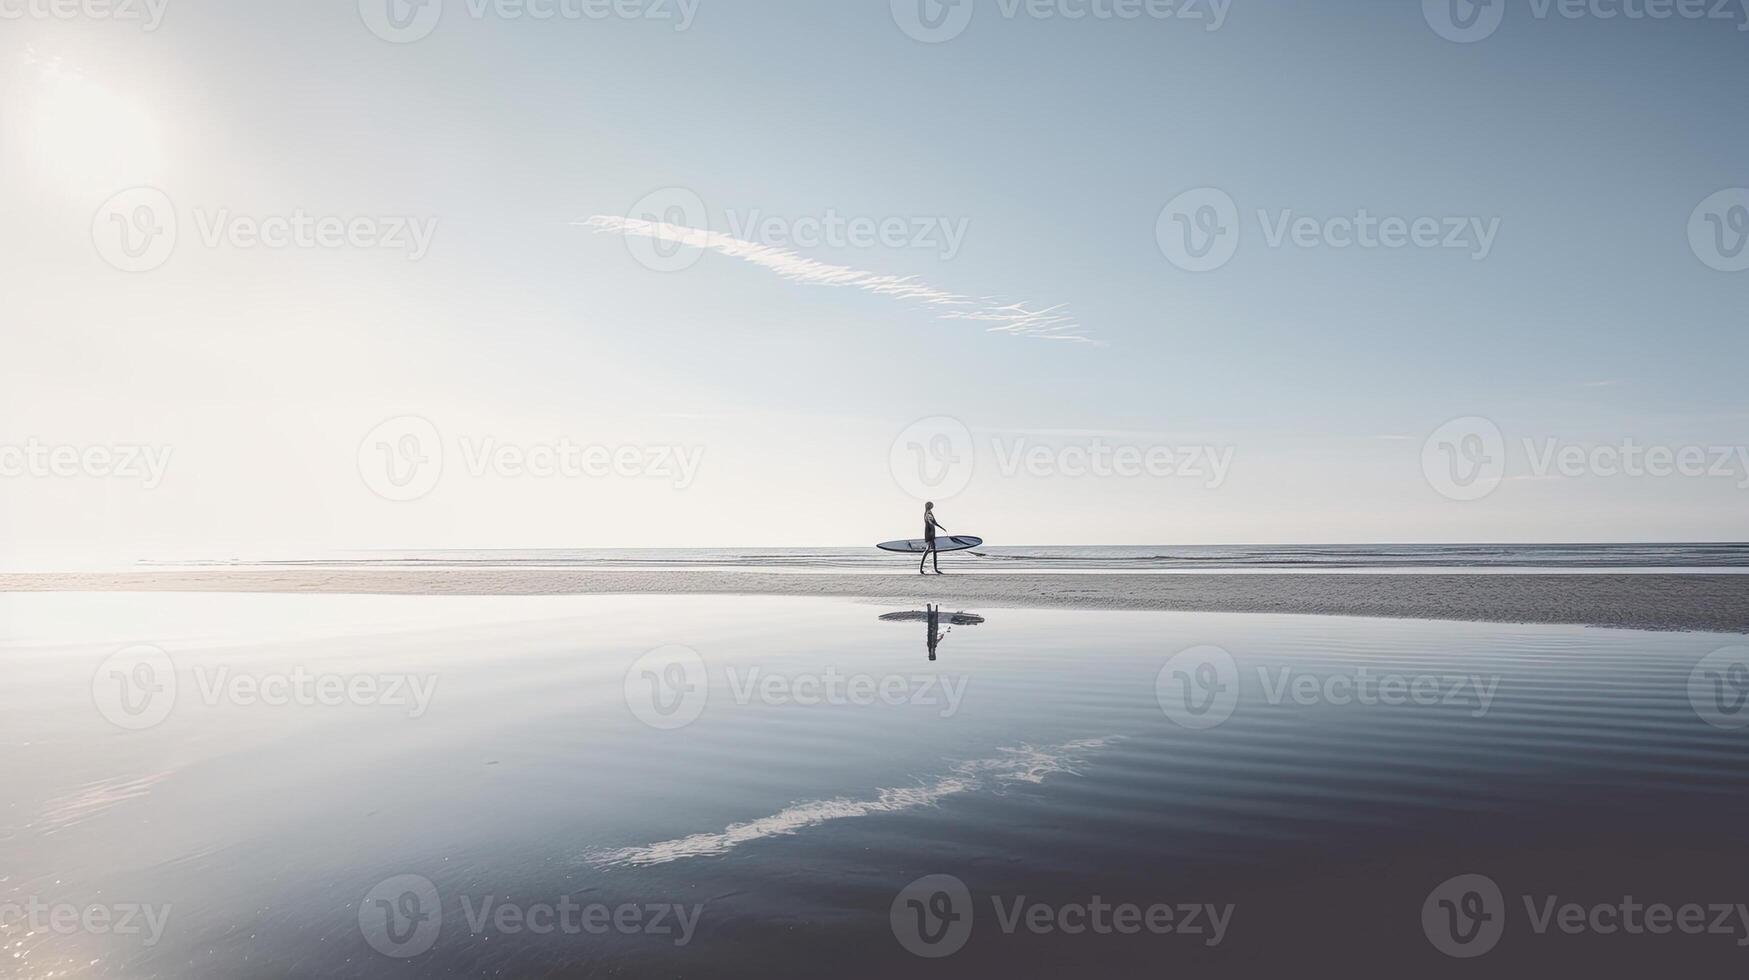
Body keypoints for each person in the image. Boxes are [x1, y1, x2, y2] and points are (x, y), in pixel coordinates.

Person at [921, 502, 948, 575]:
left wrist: (941, 528)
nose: (932, 506)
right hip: (930, 533)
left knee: (930, 551)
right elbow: (932, 523)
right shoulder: (928, 513)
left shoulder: (927, 513)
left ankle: (923, 569)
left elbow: (933, 522)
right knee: (931, 551)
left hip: (930, 532)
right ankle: (934, 569)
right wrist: (941, 528)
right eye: (931, 505)